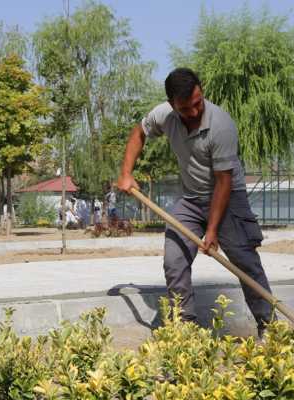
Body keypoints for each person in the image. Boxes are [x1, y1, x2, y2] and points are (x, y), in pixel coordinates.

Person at [117, 67, 274, 337]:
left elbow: (223, 182)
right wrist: (126, 173)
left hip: (228, 197)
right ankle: (186, 329)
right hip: (190, 199)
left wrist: (212, 230)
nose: (193, 112)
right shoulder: (164, 115)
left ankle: (268, 325)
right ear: (171, 105)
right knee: (174, 259)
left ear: (202, 93)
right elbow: (138, 133)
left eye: (198, 103)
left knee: (243, 259)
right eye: (185, 108)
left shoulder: (221, 125)